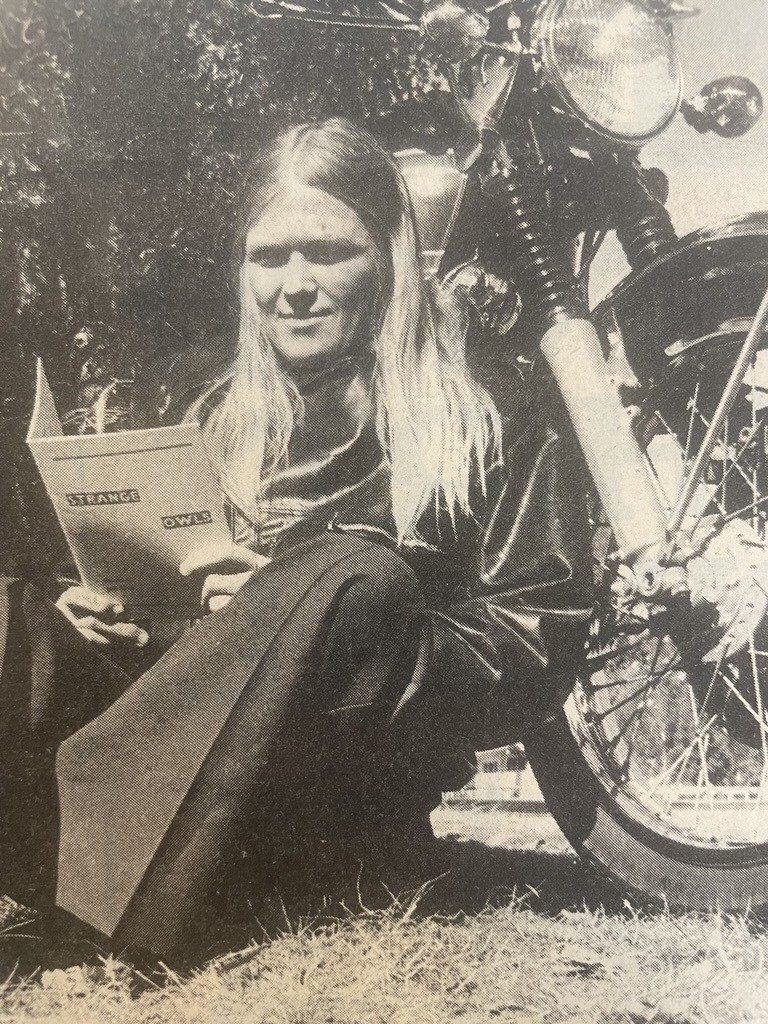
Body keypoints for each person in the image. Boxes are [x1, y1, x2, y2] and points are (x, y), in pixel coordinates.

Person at [0, 118, 592, 968]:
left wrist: (302, 623)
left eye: (327, 252)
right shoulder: (192, 395)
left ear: (388, 255)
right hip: (140, 783)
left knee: (353, 576)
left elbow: (537, 639)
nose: (296, 285)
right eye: (268, 257)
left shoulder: (494, 410)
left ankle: (105, 870)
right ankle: (95, 854)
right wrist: (79, 605)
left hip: (319, 810)